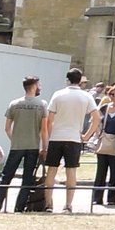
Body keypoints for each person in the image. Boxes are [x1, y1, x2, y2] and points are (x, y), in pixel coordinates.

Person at [41, 66, 101, 213]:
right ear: (80, 81)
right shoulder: (86, 96)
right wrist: (87, 135)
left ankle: (48, 204)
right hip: (74, 137)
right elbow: (96, 118)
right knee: (71, 172)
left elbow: (49, 119)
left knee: (51, 171)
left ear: (67, 80)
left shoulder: (58, 94)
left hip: (56, 136)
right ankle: (68, 205)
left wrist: (48, 137)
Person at [0, 74, 47, 212]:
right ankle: (19, 207)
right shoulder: (41, 105)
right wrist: (44, 147)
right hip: (33, 147)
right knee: (27, 179)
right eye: (39, 85)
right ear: (34, 86)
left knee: (6, 177)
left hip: (16, 146)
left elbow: (7, 128)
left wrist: (15, 138)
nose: (40, 87)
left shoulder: (14, 104)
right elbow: (44, 130)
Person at [92, 83, 115, 208]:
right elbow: (94, 119)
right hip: (105, 140)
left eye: (113, 95)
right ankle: (97, 197)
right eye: (109, 94)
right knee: (100, 171)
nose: (111, 97)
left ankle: (112, 198)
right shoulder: (105, 107)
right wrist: (98, 132)